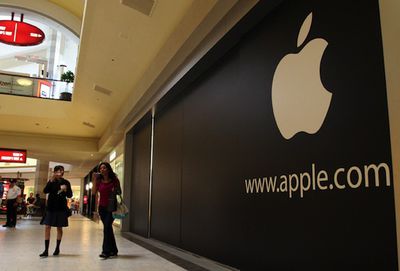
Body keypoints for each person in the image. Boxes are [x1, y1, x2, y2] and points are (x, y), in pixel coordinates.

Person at [40, 165, 72, 257]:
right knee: (47, 227)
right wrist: (50, 181)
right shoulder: (51, 181)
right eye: (57, 171)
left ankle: (57, 248)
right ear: (54, 172)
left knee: (59, 227)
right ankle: (46, 250)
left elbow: (70, 195)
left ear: (63, 172)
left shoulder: (66, 182)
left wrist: (65, 190)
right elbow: (45, 191)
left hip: (61, 208)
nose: (59, 173)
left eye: (61, 171)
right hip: (51, 207)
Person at [92, 162, 121, 259]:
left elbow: (119, 191)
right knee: (108, 228)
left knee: (107, 227)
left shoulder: (114, 180)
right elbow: (93, 192)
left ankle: (106, 251)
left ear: (108, 169)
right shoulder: (99, 180)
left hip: (111, 207)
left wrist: (114, 189)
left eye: (104, 168)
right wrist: (94, 179)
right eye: (100, 168)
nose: (102, 170)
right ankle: (114, 250)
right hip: (102, 208)